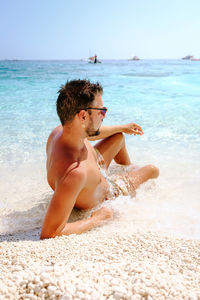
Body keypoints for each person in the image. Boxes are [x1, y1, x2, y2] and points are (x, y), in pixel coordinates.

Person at [40, 79, 159, 239]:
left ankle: (127, 168)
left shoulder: (59, 132)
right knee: (152, 170)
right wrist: (98, 218)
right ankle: (127, 177)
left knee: (118, 137)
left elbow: (92, 131)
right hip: (109, 192)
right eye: (101, 111)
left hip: (94, 167)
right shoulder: (74, 174)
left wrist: (122, 127)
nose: (104, 116)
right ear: (82, 116)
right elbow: (50, 232)